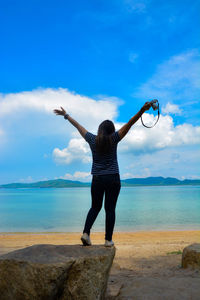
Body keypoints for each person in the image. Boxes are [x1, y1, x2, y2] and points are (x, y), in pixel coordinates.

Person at [53, 102, 151, 247]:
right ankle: (108, 240)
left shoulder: (92, 140)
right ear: (112, 130)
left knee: (95, 207)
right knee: (110, 209)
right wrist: (142, 110)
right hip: (113, 178)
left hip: (97, 178)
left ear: (100, 130)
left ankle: (86, 233)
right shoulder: (114, 139)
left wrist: (66, 116)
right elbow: (130, 123)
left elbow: (78, 126)